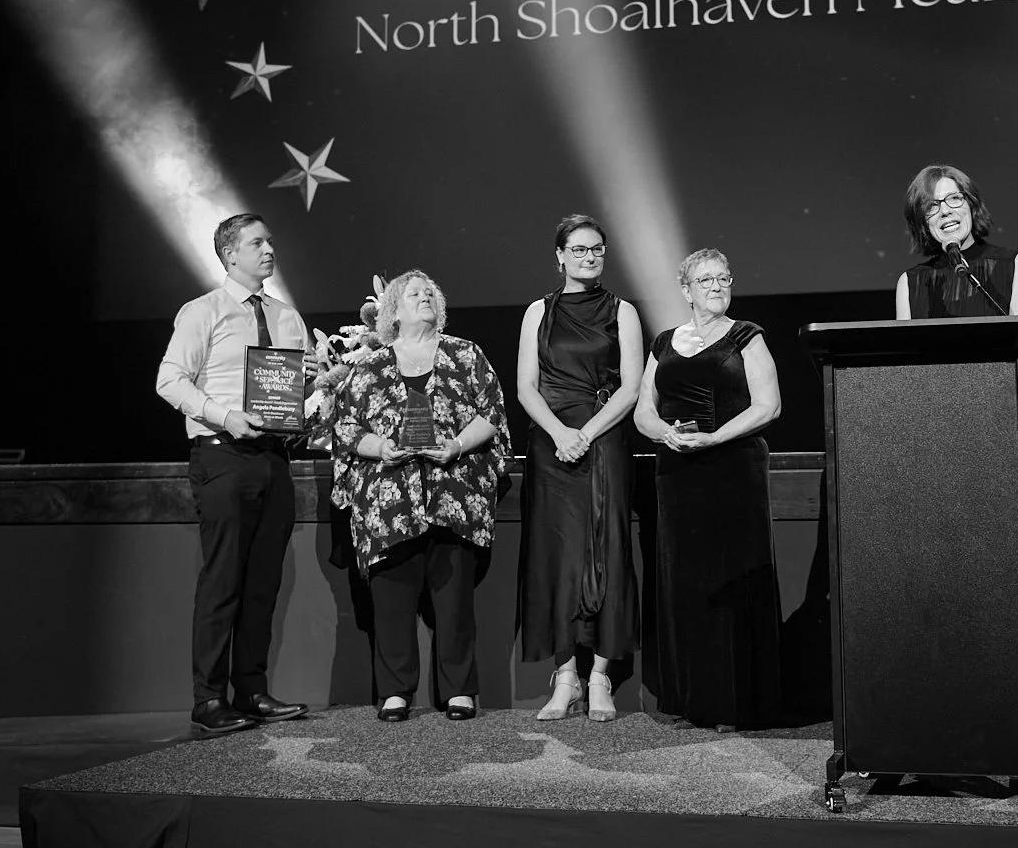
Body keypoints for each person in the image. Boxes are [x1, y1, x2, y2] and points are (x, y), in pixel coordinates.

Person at [893, 164, 1018, 673]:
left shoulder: (1016, 264)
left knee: (1011, 560)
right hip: (939, 440)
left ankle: (1015, 661)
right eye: (932, 206)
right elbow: (906, 368)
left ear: (972, 205)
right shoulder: (911, 282)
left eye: (954, 200)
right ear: (921, 222)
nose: (945, 212)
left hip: (1006, 430)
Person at [155, 213, 311, 735]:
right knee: (223, 580)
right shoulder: (204, 311)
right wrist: (225, 416)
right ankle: (208, 700)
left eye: (270, 241)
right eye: (256, 243)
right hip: (222, 455)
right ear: (229, 254)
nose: (269, 250)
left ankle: (251, 690)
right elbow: (169, 380)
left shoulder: (287, 317)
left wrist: (318, 387)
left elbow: (298, 394)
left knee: (263, 581)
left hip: (274, 458)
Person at [332, 271, 510, 722]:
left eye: (430, 292)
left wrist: (456, 445)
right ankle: (395, 691)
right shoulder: (370, 367)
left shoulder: (465, 354)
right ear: (393, 310)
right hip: (389, 501)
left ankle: (459, 690)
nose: (425, 297)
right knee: (391, 601)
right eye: (414, 293)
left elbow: (492, 412)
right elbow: (347, 426)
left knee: (454, 602)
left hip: (454, 495)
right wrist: (380, 447)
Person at [634, 248, 784, 731]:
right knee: (685, 583)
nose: (717, 287)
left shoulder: (746, 336)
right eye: (706, 280)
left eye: (724, 278)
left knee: (731, 579)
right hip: (678, 474)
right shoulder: (664, 342)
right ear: (686, 290)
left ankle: (732, 704)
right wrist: (666, 434)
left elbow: (769, 406)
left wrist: (715, 437)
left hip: (733, 470)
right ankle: (691, 699)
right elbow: (643, 410)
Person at [516, 215, 643, 723]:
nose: (589, 257)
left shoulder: (623, 311)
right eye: (579, 249)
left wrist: (585, 434)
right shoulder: (538, 312)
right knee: (557, 557)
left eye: (597, 249)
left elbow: (631, 388)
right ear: (560, 256)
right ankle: (566, 677)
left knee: (607, 552)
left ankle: (600, 678)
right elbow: (526, 387)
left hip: (604, 440)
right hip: (551, 446)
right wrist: (559, 434)